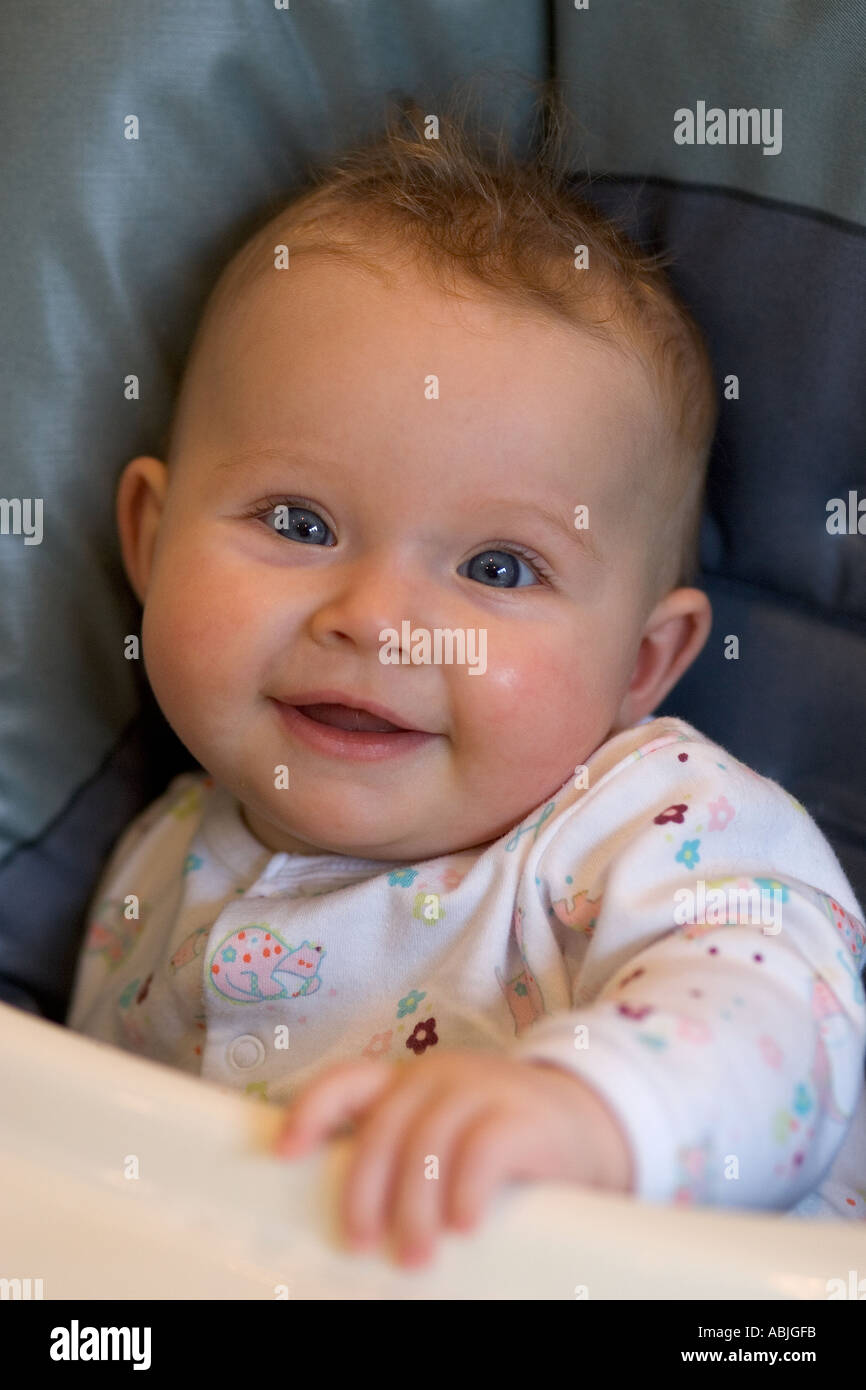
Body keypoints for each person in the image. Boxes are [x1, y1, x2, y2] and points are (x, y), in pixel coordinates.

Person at [67, 97, 866, 1268]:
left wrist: (581, 1114)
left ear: (640, 662)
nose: (378, 621)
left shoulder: (651, 827)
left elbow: (781, 1027)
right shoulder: (156, 856)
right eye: (298, 521)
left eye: (498, 567)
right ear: (148, 540)